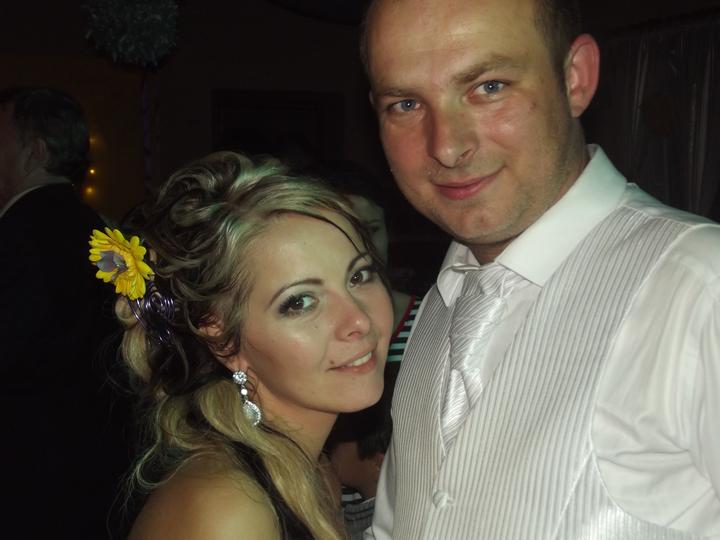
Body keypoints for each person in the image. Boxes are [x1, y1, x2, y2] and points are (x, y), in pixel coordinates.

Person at [361, 0, 720, 538]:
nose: (447, 146)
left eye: (489, 87)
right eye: (406, 104)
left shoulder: (702, 287)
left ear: (575, 78)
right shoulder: (439, 303)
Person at [93, 151, 395, 539]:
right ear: (223, 339)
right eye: (300, 302)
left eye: (359, 276)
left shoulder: (313, 472)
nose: (359, 321)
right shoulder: (226, 509)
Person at [0, 86, 131, 537]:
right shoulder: (104, 234)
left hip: (26, 481)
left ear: (35, 151)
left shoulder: (15, 239)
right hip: (95, 475)